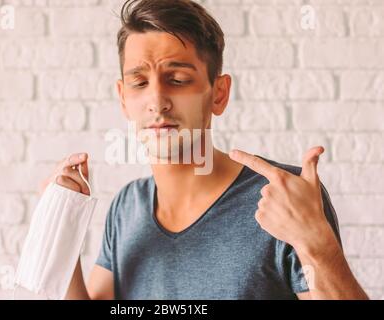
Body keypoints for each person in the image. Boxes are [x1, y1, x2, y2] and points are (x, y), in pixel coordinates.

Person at [41, 0, 368, 300]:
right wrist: (61, 229)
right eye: (139, 83)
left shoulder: (286, 197)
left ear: (219, 94)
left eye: (178, 79)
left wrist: (317, 246)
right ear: (124, 98)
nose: (157, 101)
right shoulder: (127, 207)